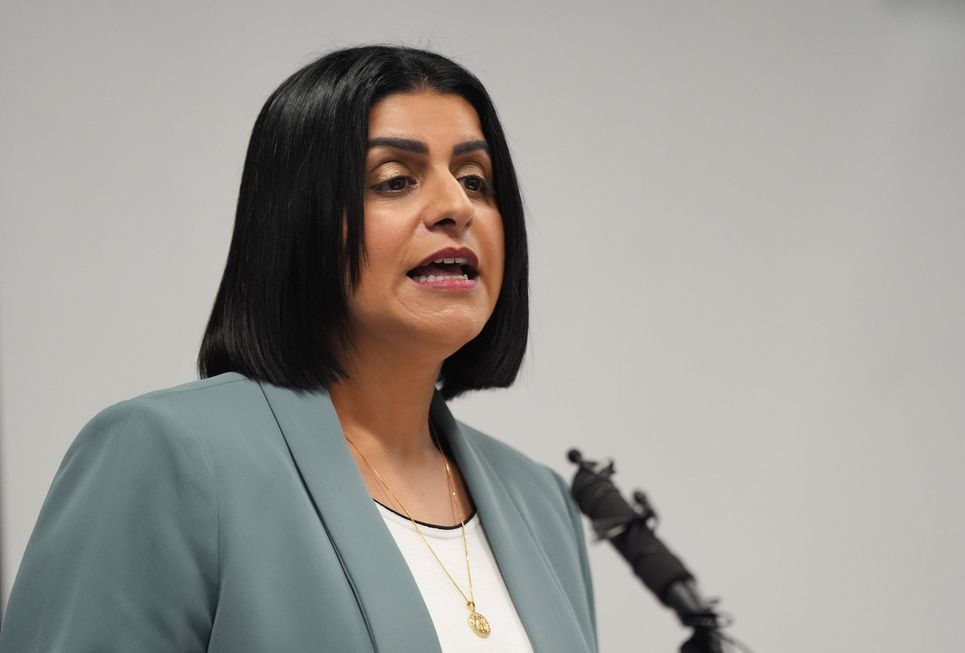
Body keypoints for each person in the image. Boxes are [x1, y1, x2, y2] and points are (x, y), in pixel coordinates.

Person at [0, 45, 597, 653]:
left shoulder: (541, 503)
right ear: (297, 219)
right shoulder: (167, 453)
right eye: (395, 180)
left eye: (475, 181)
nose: (456, 207)